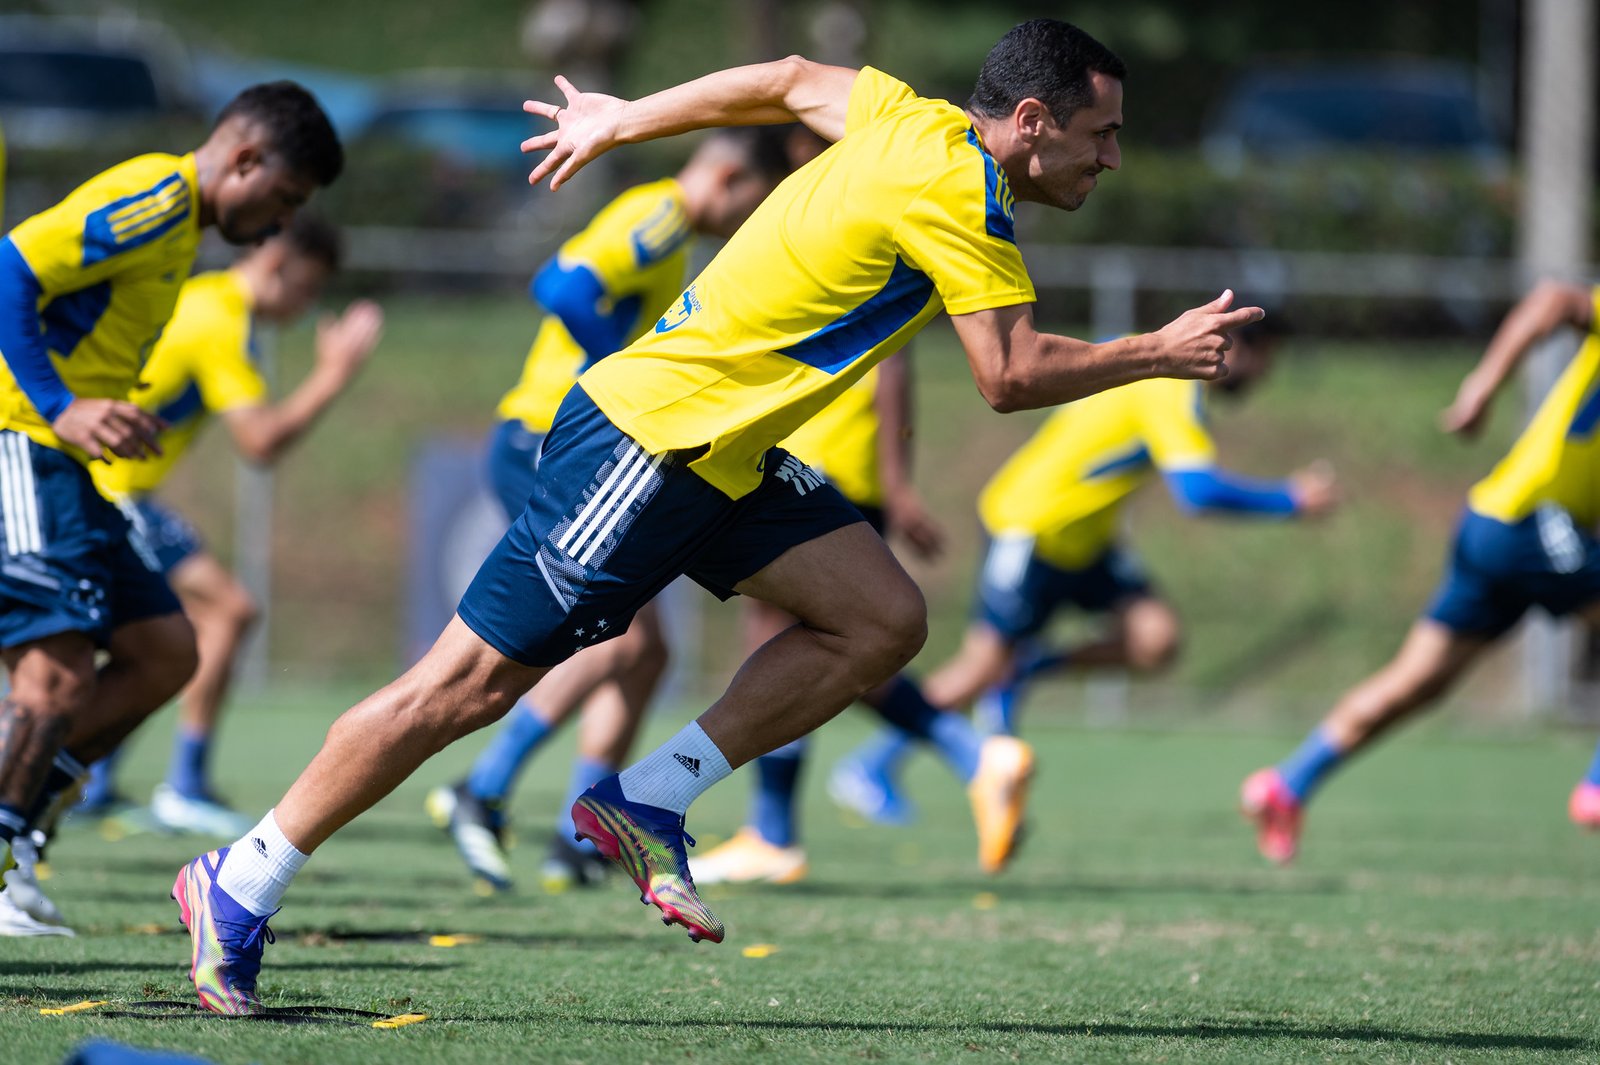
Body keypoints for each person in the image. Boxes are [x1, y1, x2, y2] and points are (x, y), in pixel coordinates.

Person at [173, 19, 1258, 1014]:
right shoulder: (960, 190)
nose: (1110, 160)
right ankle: (244, 873)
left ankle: (646, 802)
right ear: (1032, 121)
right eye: (1100, 135)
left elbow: (786, 81)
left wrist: (622, 117)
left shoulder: (904, 115)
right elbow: (1009, 373)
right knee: (465, 688)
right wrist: (1155, 352)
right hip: (649, 446)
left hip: (722, 460)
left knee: (880, 620)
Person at [0, 82, 341, 938]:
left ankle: (18, 825)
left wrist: (103, 407)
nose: (276, 224)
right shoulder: (158, 196)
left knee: (166, 648)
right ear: (246, 160)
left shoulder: (181, 231)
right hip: (21, 439)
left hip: (69, 460)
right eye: (284, 199)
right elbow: (10, 264)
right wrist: (61, 402)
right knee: (55, 679)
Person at [424, 126, 797, 893]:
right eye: (753, 201)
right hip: (546, 437)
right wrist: (619, 373)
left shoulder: (667, 228)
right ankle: (486, 788)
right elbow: (561, 285)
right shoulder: (659, 212)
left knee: (643, 649)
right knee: (621, 645)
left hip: (565, 440)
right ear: (727, 174)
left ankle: (575, 834)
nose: (747, 220)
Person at [828, 318, 1337, 821]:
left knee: (1155, 637)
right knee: (982, 663)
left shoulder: (1157, 376)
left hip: (1088, 541)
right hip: (1030, 524)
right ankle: (871, 767)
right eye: (1264, 357)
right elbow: (1197, 491)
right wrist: (1293, 499)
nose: (1264, 373)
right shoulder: (1170, 389)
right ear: (1232, 346)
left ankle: (1026, 671)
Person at [1242, 280, 1600, 864]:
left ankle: (1286, 785)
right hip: (1533, 517)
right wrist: (1483, 386)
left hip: (1493, 521)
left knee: (1417, 682)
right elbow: (1555, 300)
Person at [75, 214, 382, 837]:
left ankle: (98, 781)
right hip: (107, 492)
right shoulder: (220, 320)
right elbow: (260, 441)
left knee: (151, 638)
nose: (306, 305)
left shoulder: (204, 300)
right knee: (225, 611)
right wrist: (333, 373)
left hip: (111, 488)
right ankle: (178, 785)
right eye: (308, 287)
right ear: (277, 265)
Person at [692, 351, 1040, 884]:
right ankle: (974, 759)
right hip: (834, 470)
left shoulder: (857, 270)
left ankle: (772, 834)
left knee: (779, 648)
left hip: (818, 469)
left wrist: (899, 486)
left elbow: (893, 366)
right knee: (834, 656)